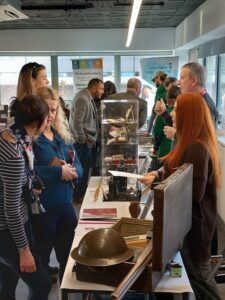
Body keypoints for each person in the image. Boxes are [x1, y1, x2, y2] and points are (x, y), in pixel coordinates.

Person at [140, 93, 221, 298]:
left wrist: (158, 182)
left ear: (189, 115)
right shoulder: (190, 141)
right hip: (185, 227)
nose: (173, 114)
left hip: (194, 231)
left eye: (177, 110)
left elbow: (191, 193)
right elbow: (179, 170)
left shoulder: (197, 147)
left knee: (201, 283)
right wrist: (160, 173)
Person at [0, 95, 51, 300]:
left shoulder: (11, 135)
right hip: (9, 231)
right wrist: (23, 249)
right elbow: (11, 208)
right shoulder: (13, 154)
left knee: (7, 285)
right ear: (38, 122)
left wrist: (31, 184)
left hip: (9, 227)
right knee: (42, 285)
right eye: (48, 118)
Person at [33, 87, 83, 282]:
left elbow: (78, 164)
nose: (50, 115)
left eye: (54, 110)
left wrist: (73, 172)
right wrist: (58, 172)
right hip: (43, 209)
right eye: (46, 109)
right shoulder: (32, 140)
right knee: (40, 258)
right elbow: (28, 173)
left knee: (68, 257)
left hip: (65, 205)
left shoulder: (61, 136)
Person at [69, 78, 104, 202]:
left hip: (88, 141)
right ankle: (78, 196)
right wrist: (82, 139)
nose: (102, 92)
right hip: (83, 143)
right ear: (94, 88)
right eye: (101, 89)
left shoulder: (87, 96)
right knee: (81, 170)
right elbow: (77, 122)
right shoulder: (82, 98)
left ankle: (80, 194)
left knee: (85, 168)